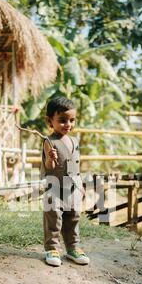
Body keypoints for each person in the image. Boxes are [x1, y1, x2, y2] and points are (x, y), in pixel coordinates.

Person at [41, 96, 90, 267]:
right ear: (50, 121)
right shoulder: (49, 141)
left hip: (72, 189)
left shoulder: (74, 141)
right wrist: (50, 158)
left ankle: (73, 248)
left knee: (73, 218)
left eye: (71, 120)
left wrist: (81, 186)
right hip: (54, 188)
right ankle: (52, 248)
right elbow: (49, 167)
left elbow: (76, 166)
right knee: (53, 218)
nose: (67, 124)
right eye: (62, 120)